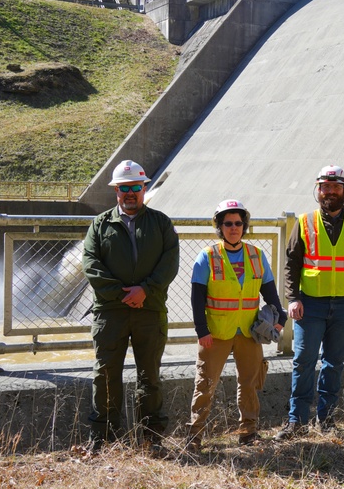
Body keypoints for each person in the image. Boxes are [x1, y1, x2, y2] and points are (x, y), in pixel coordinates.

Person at [82, 160, 179, 454]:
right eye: (124, 188)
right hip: (110, 312)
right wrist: (124, 295)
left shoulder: (161, 223)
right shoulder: (100, 224)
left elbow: (169, 263)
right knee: (105, 375)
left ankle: (150, 438)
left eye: (135, 187)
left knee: (149, 375)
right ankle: (105, 440)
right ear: (116, 191)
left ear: (144, 188)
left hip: (149, 311)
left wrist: (145, 291)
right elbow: (91, 265)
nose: (130, 193)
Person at [276, 165, 344, 439]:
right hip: (311, 304)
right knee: (304, 360)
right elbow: (291, 263)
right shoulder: (304, 222)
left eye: (336, 186)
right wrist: (292, 298)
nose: (330, 191)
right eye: (325, 186)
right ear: (318, 190)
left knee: (334, 362)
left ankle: (327, 420)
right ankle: (297, 421)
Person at [185, 200, 286, 449]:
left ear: (244, 226)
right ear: (219, 227)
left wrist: (280, 320)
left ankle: (248, 433)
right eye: (227, 223)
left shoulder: (256, 255)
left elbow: (270, 294)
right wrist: (202, 331)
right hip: (216, 334)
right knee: (205, 385)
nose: (233, 228)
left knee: (249, 384)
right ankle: (195, 437)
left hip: (250, 333)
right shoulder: (207, 256)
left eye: (238, 223)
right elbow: (197, 299)